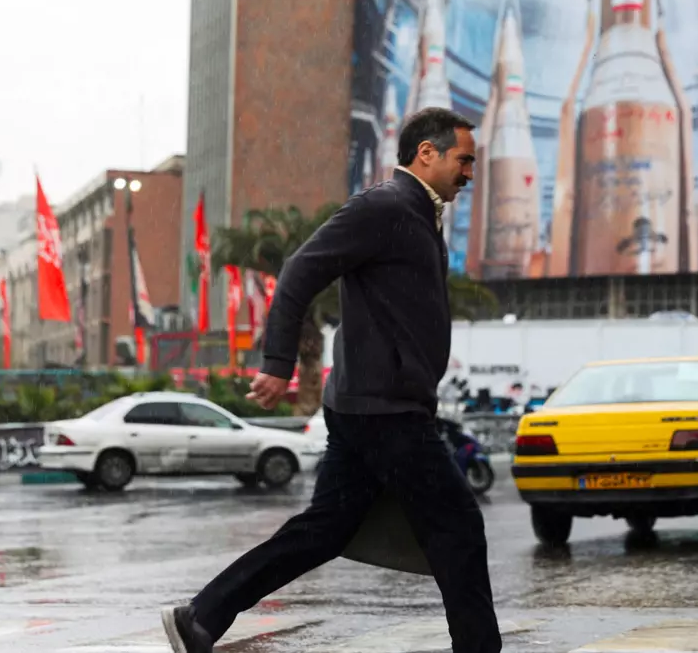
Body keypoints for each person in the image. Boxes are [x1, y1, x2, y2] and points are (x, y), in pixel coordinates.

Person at [161, 107, 502, 653]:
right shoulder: (385, 207)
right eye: (463, 160)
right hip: (384, 409)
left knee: (325, 530)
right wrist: (278, 363)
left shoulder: (418, 215)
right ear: (427, 153)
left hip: (372, 404)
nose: (469, 173)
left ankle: (200, 617)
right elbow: (299, 269)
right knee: (458, 526)